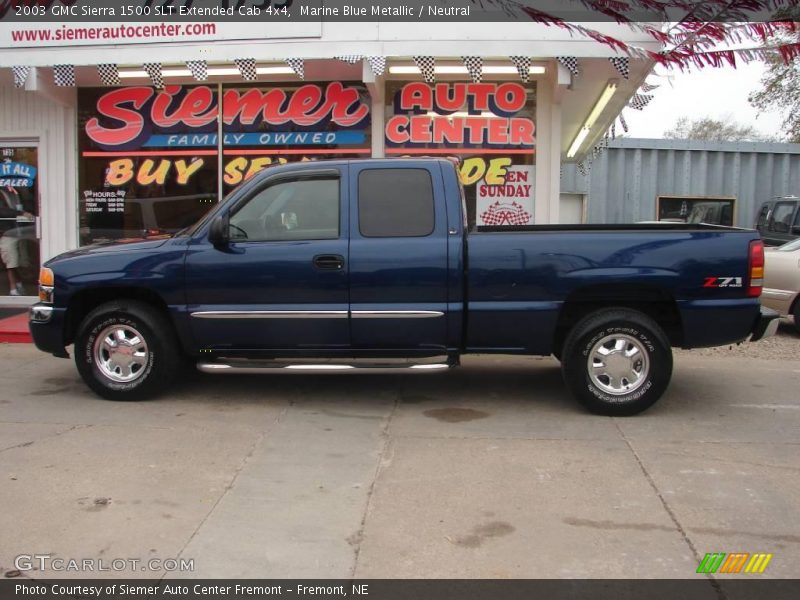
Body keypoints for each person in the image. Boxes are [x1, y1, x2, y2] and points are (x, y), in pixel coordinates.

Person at [0, 187, 33, 296]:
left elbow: (29, 205)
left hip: (21, 231)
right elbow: (2, 211)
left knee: (21, 262)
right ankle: (13, 289)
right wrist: (21, 213)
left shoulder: (16, 192)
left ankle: (18, 284)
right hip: (6, 233)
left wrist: (26, 212)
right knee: (11, 261)